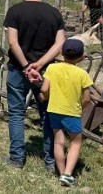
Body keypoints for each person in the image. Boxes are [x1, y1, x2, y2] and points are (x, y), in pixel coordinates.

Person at [2, 0, 66, 173]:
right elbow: (60, 43)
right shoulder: (54, 13)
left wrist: (26, 66)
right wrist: (39, 64)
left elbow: (12, 42)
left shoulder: (15, 11)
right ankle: (50, 160)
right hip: (47, 71)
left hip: (18, 70)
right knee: (47, 114)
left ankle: (17, 158)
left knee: (16, 113)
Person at [40, 38, 93, 187]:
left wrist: (48, 98)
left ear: (61, 52)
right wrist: (80, 106)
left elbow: (44, 89)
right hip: (72, 112)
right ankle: (67, 174)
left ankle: (61, 172)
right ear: (82, 57)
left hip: (54, 110)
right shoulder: (82, 74)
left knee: (58, 141)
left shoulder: (52, 68)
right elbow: (88, 98)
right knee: (76, 142)